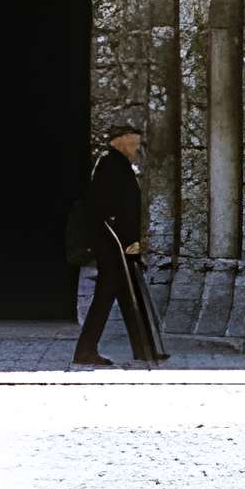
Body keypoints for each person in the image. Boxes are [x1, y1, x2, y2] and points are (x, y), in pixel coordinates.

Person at [67, 120, 167, 368]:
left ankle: (144, 349)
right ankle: (85, 351)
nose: (137, 146)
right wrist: (125, 241)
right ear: (121, 139)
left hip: (120, 245)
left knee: (129, 297)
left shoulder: (118, 163)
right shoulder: (110, 164)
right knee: (105, 297)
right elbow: (106, 209)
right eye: (134, 141)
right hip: (114, 246)